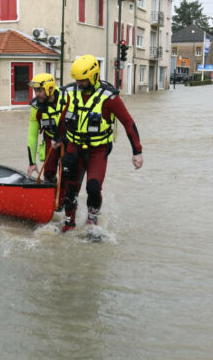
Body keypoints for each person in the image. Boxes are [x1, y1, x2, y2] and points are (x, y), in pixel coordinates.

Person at [57, 55, 143, 233]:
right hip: (74, 146)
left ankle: (92, 220)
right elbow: (63, 119)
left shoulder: (110, 98)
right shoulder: (72, 92)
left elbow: (128, 122)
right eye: (77, 80)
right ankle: (69, 223)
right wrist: (56, 140)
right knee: (70, 188)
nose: (79, 84)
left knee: (93, 188)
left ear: (94, 76)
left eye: (83, 80)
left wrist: (137, 152)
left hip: (98, 149)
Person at [26, 73, 69, 209]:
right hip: (50, 139)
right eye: (35, 91)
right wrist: (32, 162)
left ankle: (66, 202)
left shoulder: (68, 98)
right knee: (49, 173)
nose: (36, 94)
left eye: (39, 90)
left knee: (67, 173)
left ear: (50, 89)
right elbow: (32, 135)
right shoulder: (36, 107)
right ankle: (52, 198)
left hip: (69, 140)